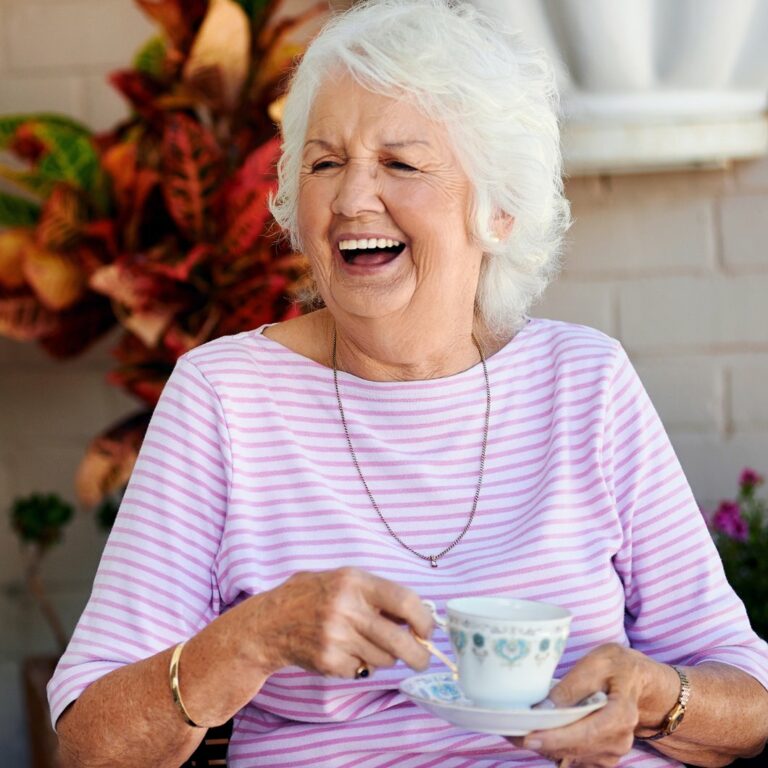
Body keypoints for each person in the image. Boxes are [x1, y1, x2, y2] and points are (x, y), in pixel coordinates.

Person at [49, 1, 768, 766]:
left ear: (498, 211)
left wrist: (653, 699)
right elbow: (90, 744)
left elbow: (748, 701)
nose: (352, 199)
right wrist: (250, 640)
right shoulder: (225, 398)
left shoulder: (585, 383)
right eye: (325, 163)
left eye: (400, 163)